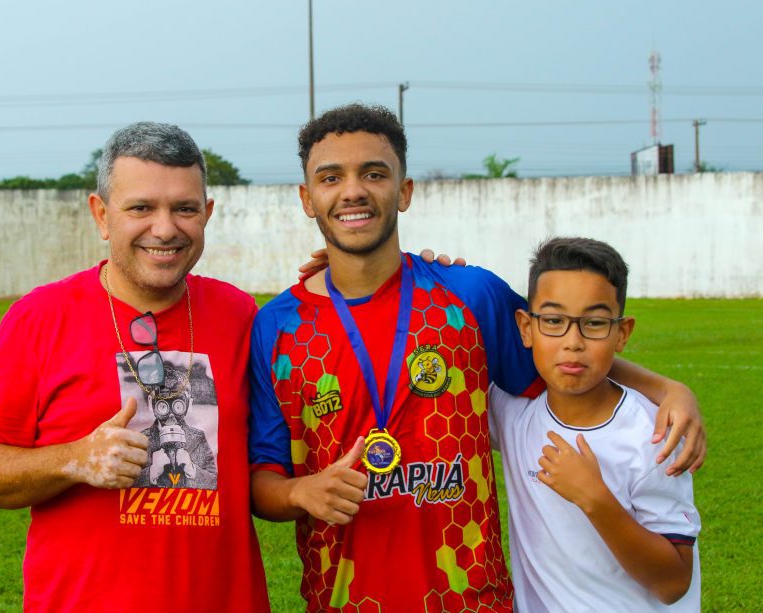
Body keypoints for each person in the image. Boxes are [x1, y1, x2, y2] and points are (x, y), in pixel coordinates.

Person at [247, 103, 706, 612]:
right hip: (340, 599)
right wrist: (300, 493)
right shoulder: (276, 327)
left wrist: (666, 389)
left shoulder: (472, 294)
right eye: (331, 177)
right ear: (308, 199)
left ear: (404, 191)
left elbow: (563, 353)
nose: (353, 190)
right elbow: (262, 482)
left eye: (374, 174)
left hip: (470, 598)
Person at [0, 122, 270, 612]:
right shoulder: (40, 318)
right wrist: (76, 458)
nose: (165, 228)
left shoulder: (241, 315)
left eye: (184, 208)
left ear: (207, 214)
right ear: (101, 215)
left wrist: (418, 273)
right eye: (140, 207)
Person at [489, 237, 700, 611]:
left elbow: (673, 582)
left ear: (622, 332)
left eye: (595, 323)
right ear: (526, 327)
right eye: (553, 320)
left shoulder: (654, 435)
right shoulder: (512, 411)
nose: (573, 341)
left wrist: (595, 498)